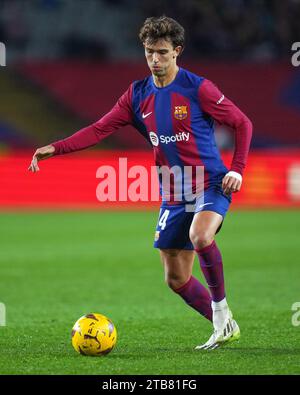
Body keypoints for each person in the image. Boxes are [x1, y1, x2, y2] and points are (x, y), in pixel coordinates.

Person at [28, 16, 252, 350]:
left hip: (210, 182)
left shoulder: (198, 88)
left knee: (200, 235)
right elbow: (99, 128)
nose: (155, 60)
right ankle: (226, 324)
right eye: (149, 52)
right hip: (173, 192)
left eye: (162, 52)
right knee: (176, 278)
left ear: (177, 51)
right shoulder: (137, 94)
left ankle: (221, 315)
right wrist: (56, 147)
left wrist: (237, 168)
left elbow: (242, 122)